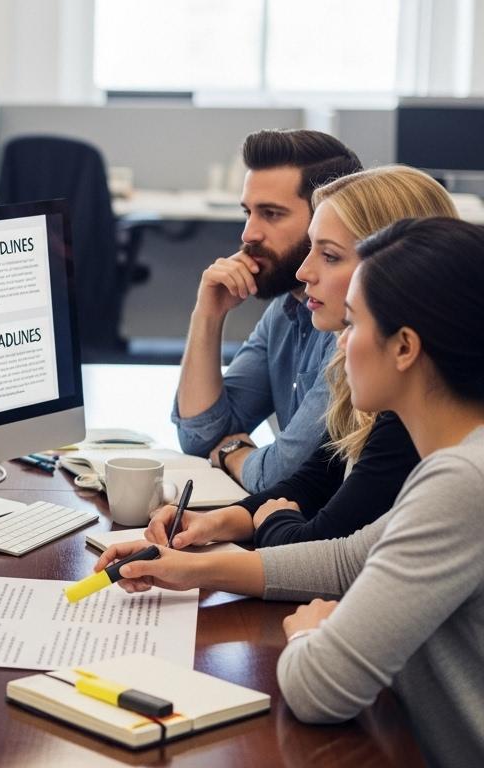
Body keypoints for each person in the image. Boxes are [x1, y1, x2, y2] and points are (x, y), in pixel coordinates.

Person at [95, 217, 484, 765]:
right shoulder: (458, 462)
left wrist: (309, 634)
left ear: (404, 348)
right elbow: (351, 560)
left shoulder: (463, 482)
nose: (340, 346)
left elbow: (319, 688)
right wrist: (191, 569)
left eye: (353, 324)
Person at [149, 166, 455, 549]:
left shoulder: (411, 415)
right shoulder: (359, 375)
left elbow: (322, 544)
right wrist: (217, 521)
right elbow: (310, 481)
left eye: (328, 255)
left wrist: (269, 516)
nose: (303, 271)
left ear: (394, 270)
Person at [173, 130, 363, 492]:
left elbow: (280, 474)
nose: (249, 234)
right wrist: (208, 315)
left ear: (326, 215)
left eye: (271, 214)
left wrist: (231, 450)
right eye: (248, 213)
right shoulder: (288, 308)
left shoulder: (351, 329)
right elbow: (199, 435)